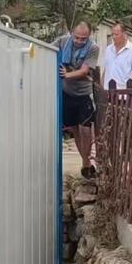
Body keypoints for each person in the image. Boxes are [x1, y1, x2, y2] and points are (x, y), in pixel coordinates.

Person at [52, 21, 100, 178]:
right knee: (75, 130)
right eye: (77, 37)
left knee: (86, 130)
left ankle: (86, 162)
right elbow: (47, 50)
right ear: (71, 33)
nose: (79, 41)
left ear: (89, 36)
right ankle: (85, 163)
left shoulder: (93, 48)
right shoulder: (63, 41)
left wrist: (66, 75)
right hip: (67, 92)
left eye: (83, 39)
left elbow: (84, 71)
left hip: (84, 93)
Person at [102, 23, 132, 90]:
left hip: (125, 93)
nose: (114, 37)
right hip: (108, 92)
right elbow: (106, 70)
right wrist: (102, 88)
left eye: (116, 34)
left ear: (124, 34)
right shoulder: (108, 49)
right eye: (112, 34)